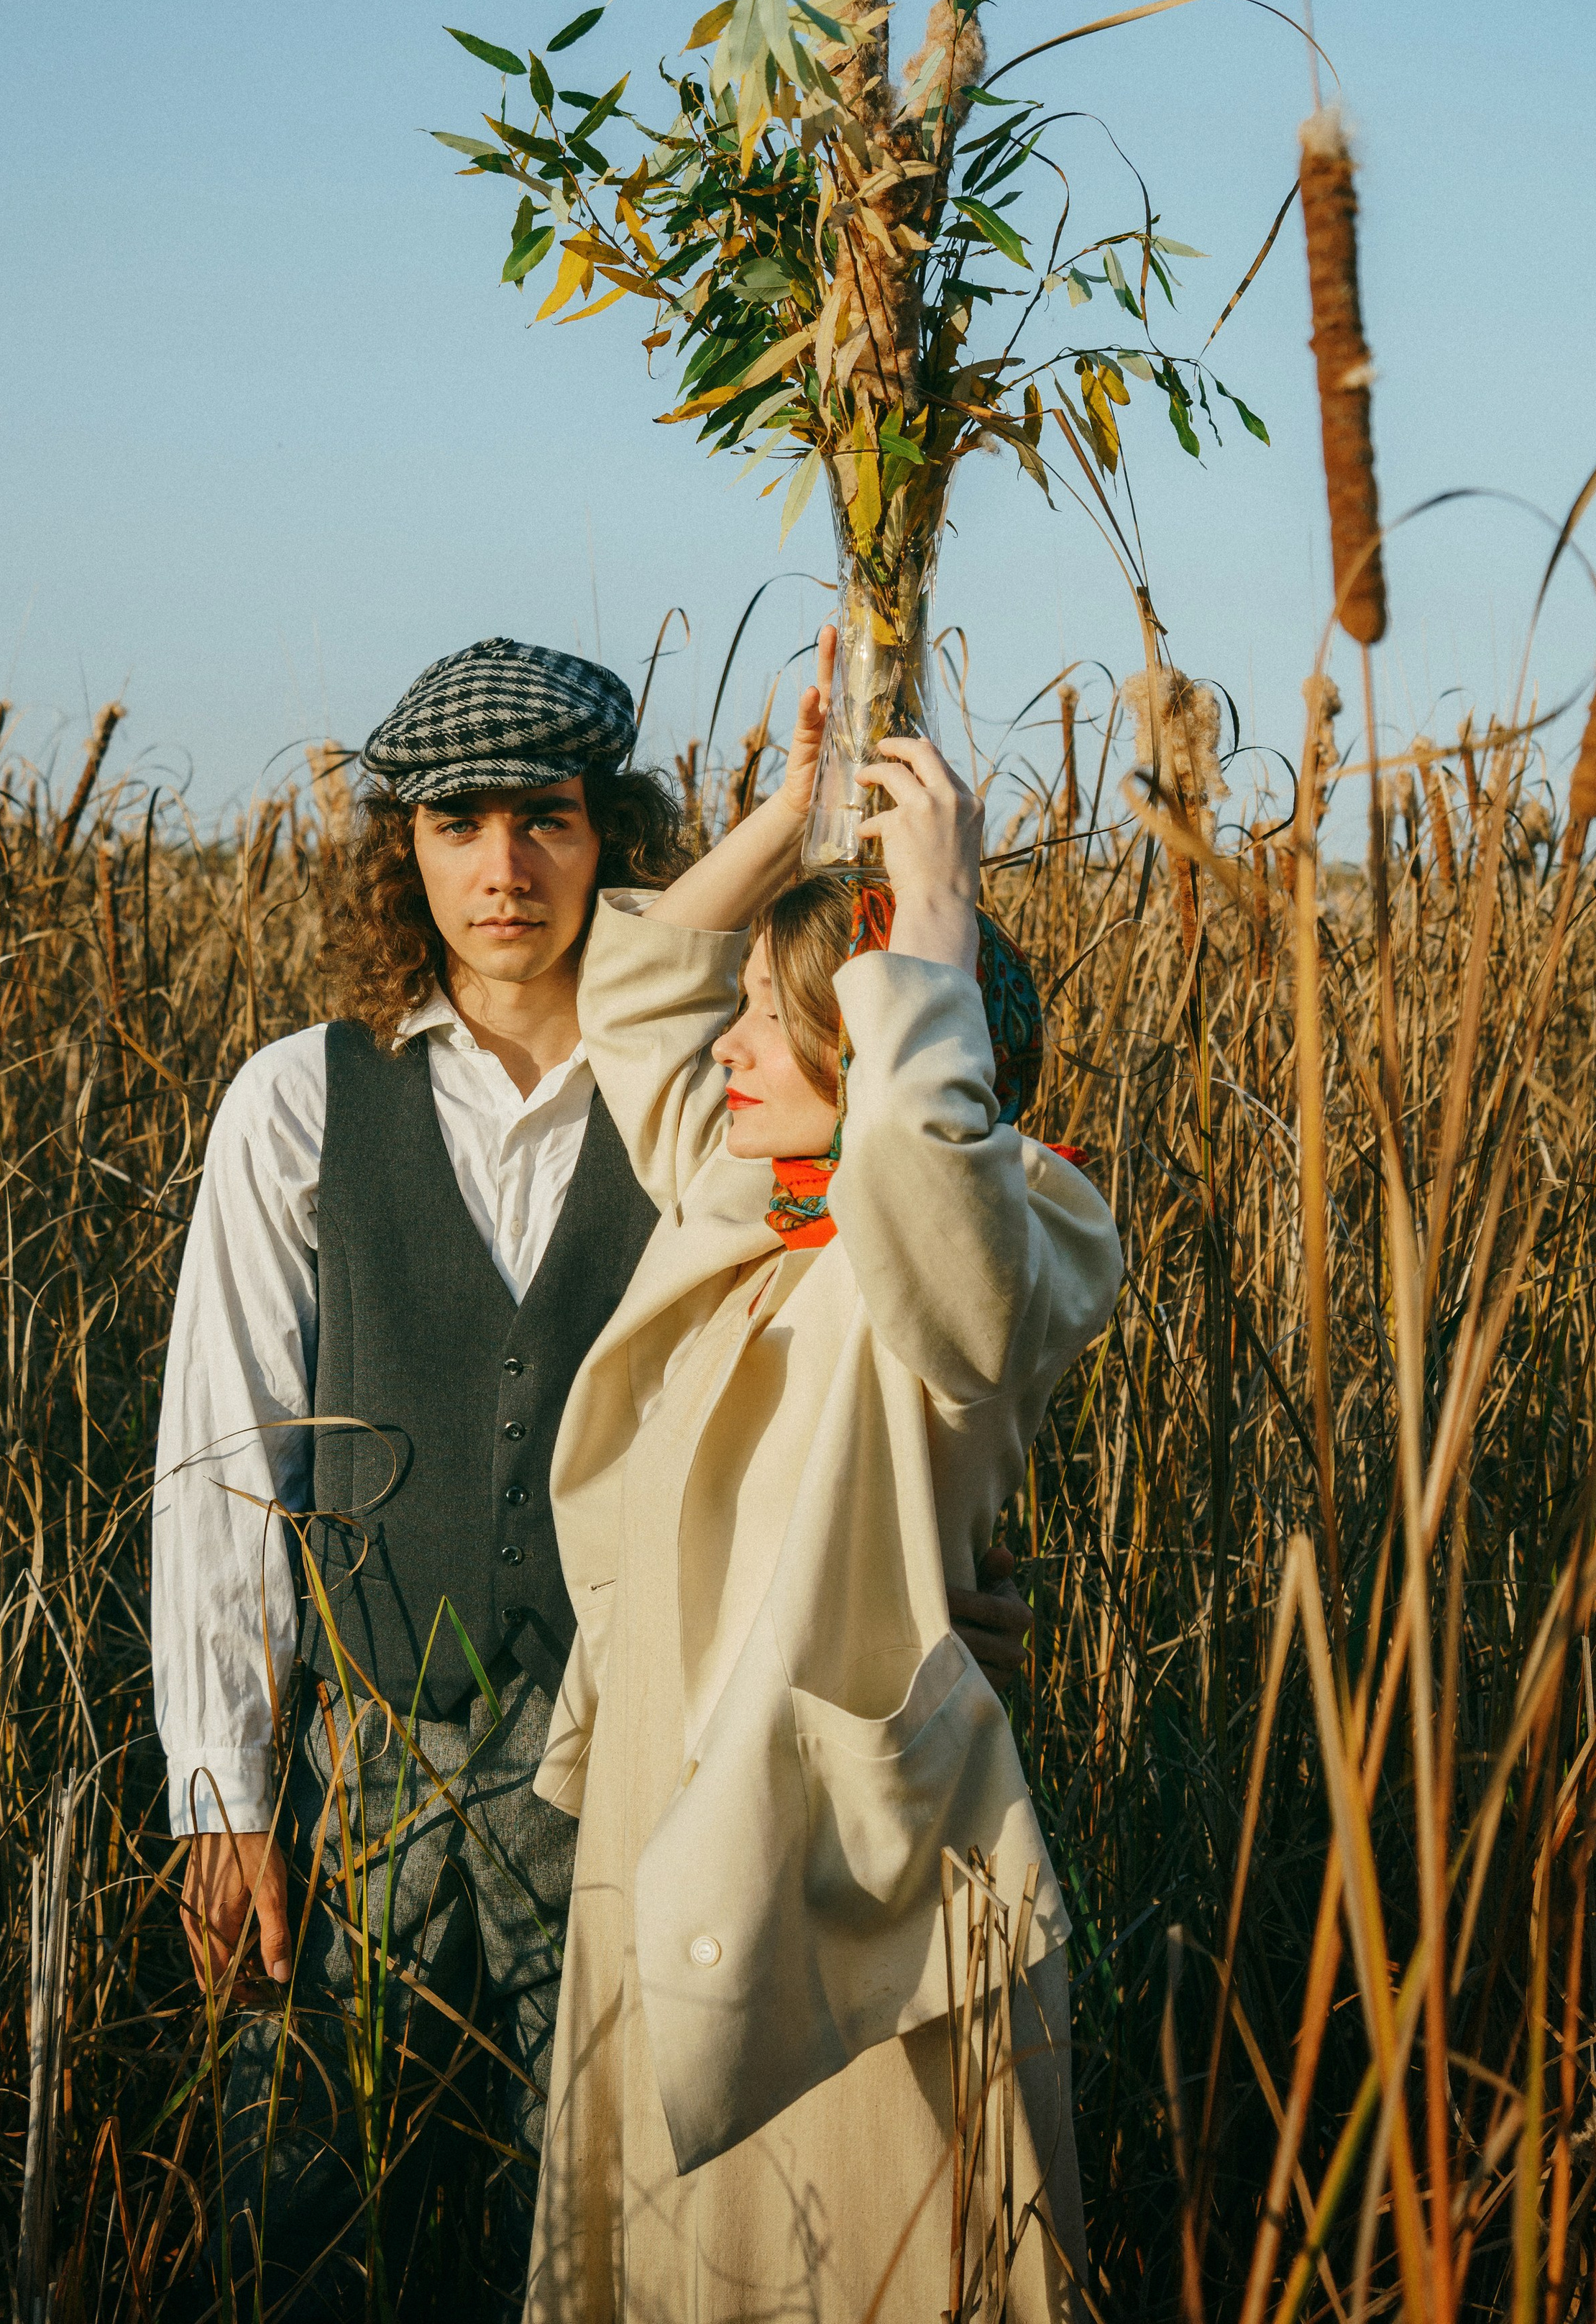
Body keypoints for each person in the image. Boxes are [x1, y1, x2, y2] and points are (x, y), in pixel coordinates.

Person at [150, 634, 1037, 2320]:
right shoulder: (298, 1102)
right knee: (311, 2221)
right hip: (366, 1771)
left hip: (628, 1774)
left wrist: (931, 1594)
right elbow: (221, 1454)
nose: (502, 868)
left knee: (596, 2238)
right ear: (403, 850)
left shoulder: (721, 1100)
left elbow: (882, 1349)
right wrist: (225, 1790)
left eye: (545, 819)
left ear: (606, 831)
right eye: (457, 824)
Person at [524, 644, 1124, 2323]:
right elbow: (632, 992)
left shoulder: (992, 1246)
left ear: (874, 1056)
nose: (723, 1046)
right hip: (672, 1840)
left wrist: (928, 919)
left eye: (772, 1023)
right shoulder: (745, 1208)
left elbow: (933, 1195)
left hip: (835, 1904)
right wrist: (795, 823)